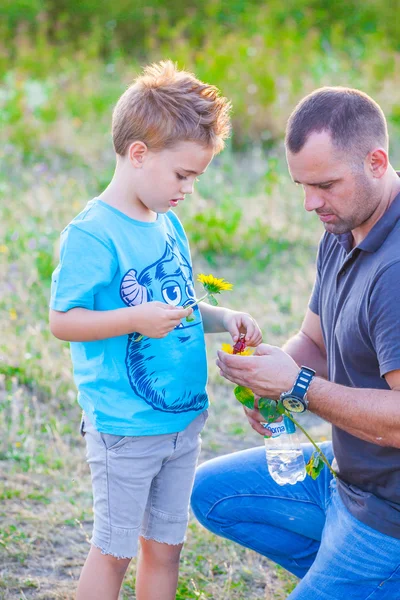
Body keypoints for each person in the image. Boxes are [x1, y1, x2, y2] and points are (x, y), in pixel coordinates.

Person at [49, 60, 262, 600]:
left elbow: (182, 306)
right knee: (115, 549)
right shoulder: (93, 234)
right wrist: (133, 320)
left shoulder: (167, 223)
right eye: (183, 175)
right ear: (138, 154)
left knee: (166, 547)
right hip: (125, 426)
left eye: (196, 177)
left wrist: (223, 319)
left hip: (182, 421)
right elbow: (62, 321)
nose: (188, 189)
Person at [191, 87, 400, 599]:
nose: (310, 204)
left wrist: (300, 386)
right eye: (302, 185)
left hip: (389, 513)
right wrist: (270, 378)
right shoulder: (344, 226)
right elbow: (315, 339)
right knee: (212, 494)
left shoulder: (396, 271)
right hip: (343, 476)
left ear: (377, 161)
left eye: (325, 185)